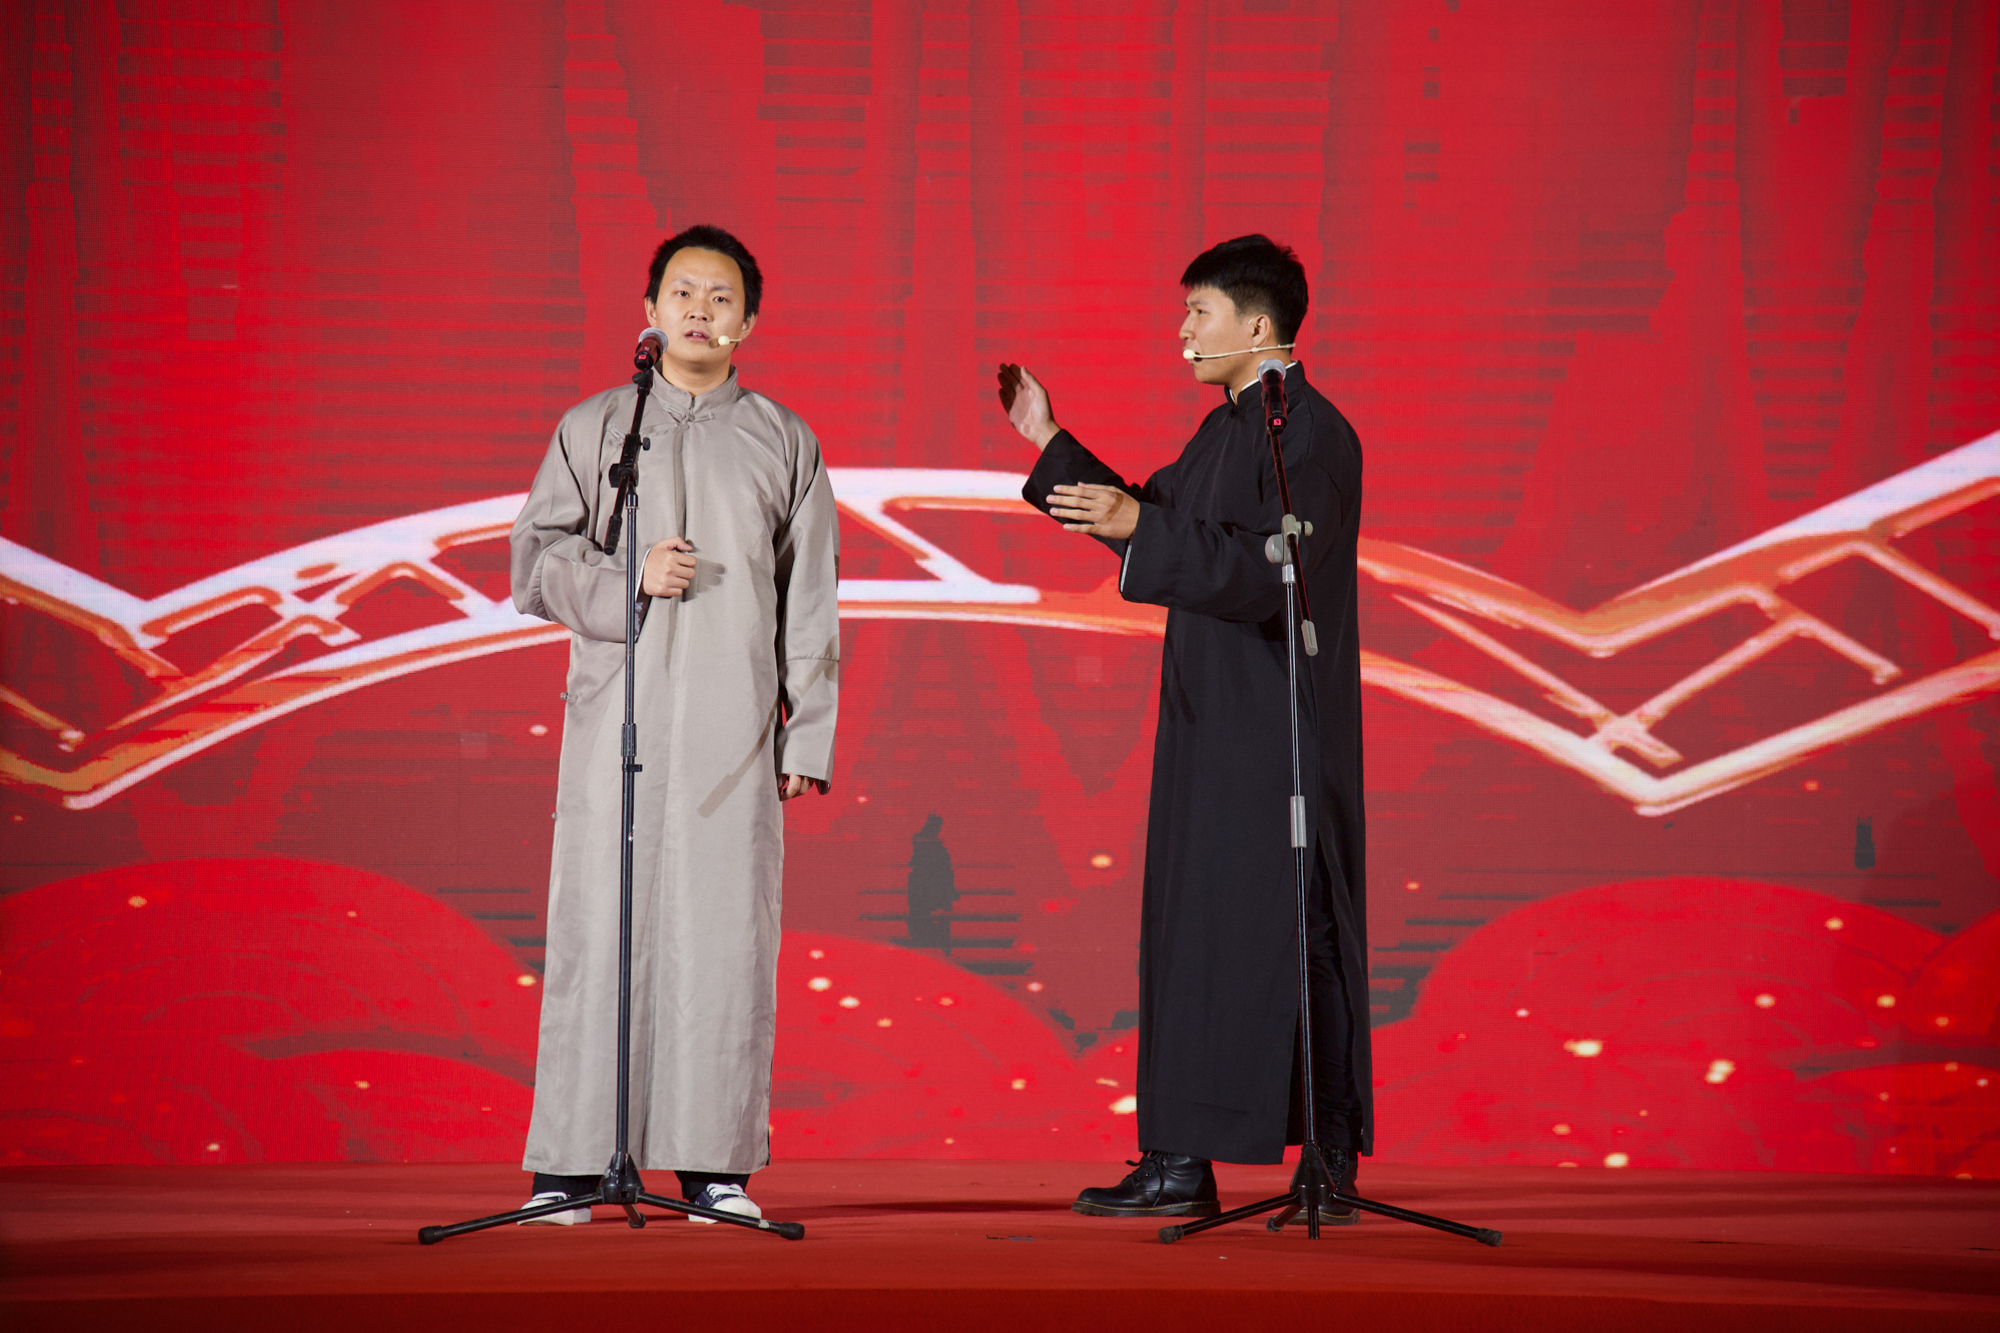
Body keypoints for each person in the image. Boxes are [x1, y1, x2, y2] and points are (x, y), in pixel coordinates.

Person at [996, 234, 1370, 1219]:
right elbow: (1154, 513)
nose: (1182, 331)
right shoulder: (1222, 432)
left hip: (1276, 727)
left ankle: (1326, 1160)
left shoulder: (1308, 434)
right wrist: (1049, 440)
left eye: (1198, 313)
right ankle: (1177, 1158)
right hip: (1209, 720)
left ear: (1258, 324)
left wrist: (1140, 527)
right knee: (1191, 933)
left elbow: (1270, 568)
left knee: (1295, 932)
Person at [508, 224, 839, 1225]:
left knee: (723, 940)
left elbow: (811, 600)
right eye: (683, 292)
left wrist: (806, 735)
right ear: (649, 310)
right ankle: (570, 1163)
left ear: (750, 322)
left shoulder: (784, 439)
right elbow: (534, 564)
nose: (700, 309)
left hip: (733, 733)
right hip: (616, 720)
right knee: (596, 932)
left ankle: (712, 1165)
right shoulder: (597, 428)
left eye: (721, 296)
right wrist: (627, 577)